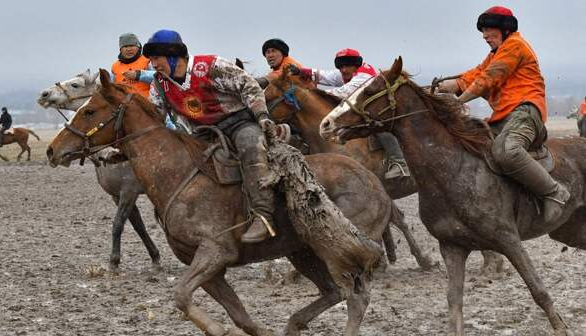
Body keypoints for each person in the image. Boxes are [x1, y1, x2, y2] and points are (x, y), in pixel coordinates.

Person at [437, 6, 570, 223]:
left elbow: (488, 78)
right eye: (483, 31)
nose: (484, 35)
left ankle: (554, 192)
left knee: (506, 151)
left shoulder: (515, 45)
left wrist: (458, 101)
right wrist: (439, 87)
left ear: (505, 29)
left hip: (526, 111)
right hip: (503, 116)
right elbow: (474, 75)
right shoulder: (496, 54)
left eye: (489, 29)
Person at [144, 29, 277, 243]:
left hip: (238, 123)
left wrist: (261, 116)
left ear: (173, 55)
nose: (153, 64)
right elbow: (154, 116)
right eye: (151, 59)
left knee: (251, 149)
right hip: (201, 134)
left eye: (156, 58)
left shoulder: (210, 66)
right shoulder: (159, 85)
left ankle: (263, 216)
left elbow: (249, 86)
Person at [290, 49, 410, 179]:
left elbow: (344, 92)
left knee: (380, 126)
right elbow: (324, 75)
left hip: (382, 108)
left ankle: (400, 164)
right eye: (341, 66)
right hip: (366, 107)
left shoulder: (363, 76)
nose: (343, 70)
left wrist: (311, 97)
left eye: (347, 66)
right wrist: (301, 71)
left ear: (356, 65)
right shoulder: (349, 73)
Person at [111, 33, 156, 99]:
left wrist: (138, 75)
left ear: (138, 47)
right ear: (120, 49)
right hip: (124, 106)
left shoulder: (148, 61)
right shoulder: (115, 66)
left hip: (147, 103)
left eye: (132, 45)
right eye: (125, 46)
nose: (129, 49)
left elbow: (159, 77)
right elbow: (111, 87)